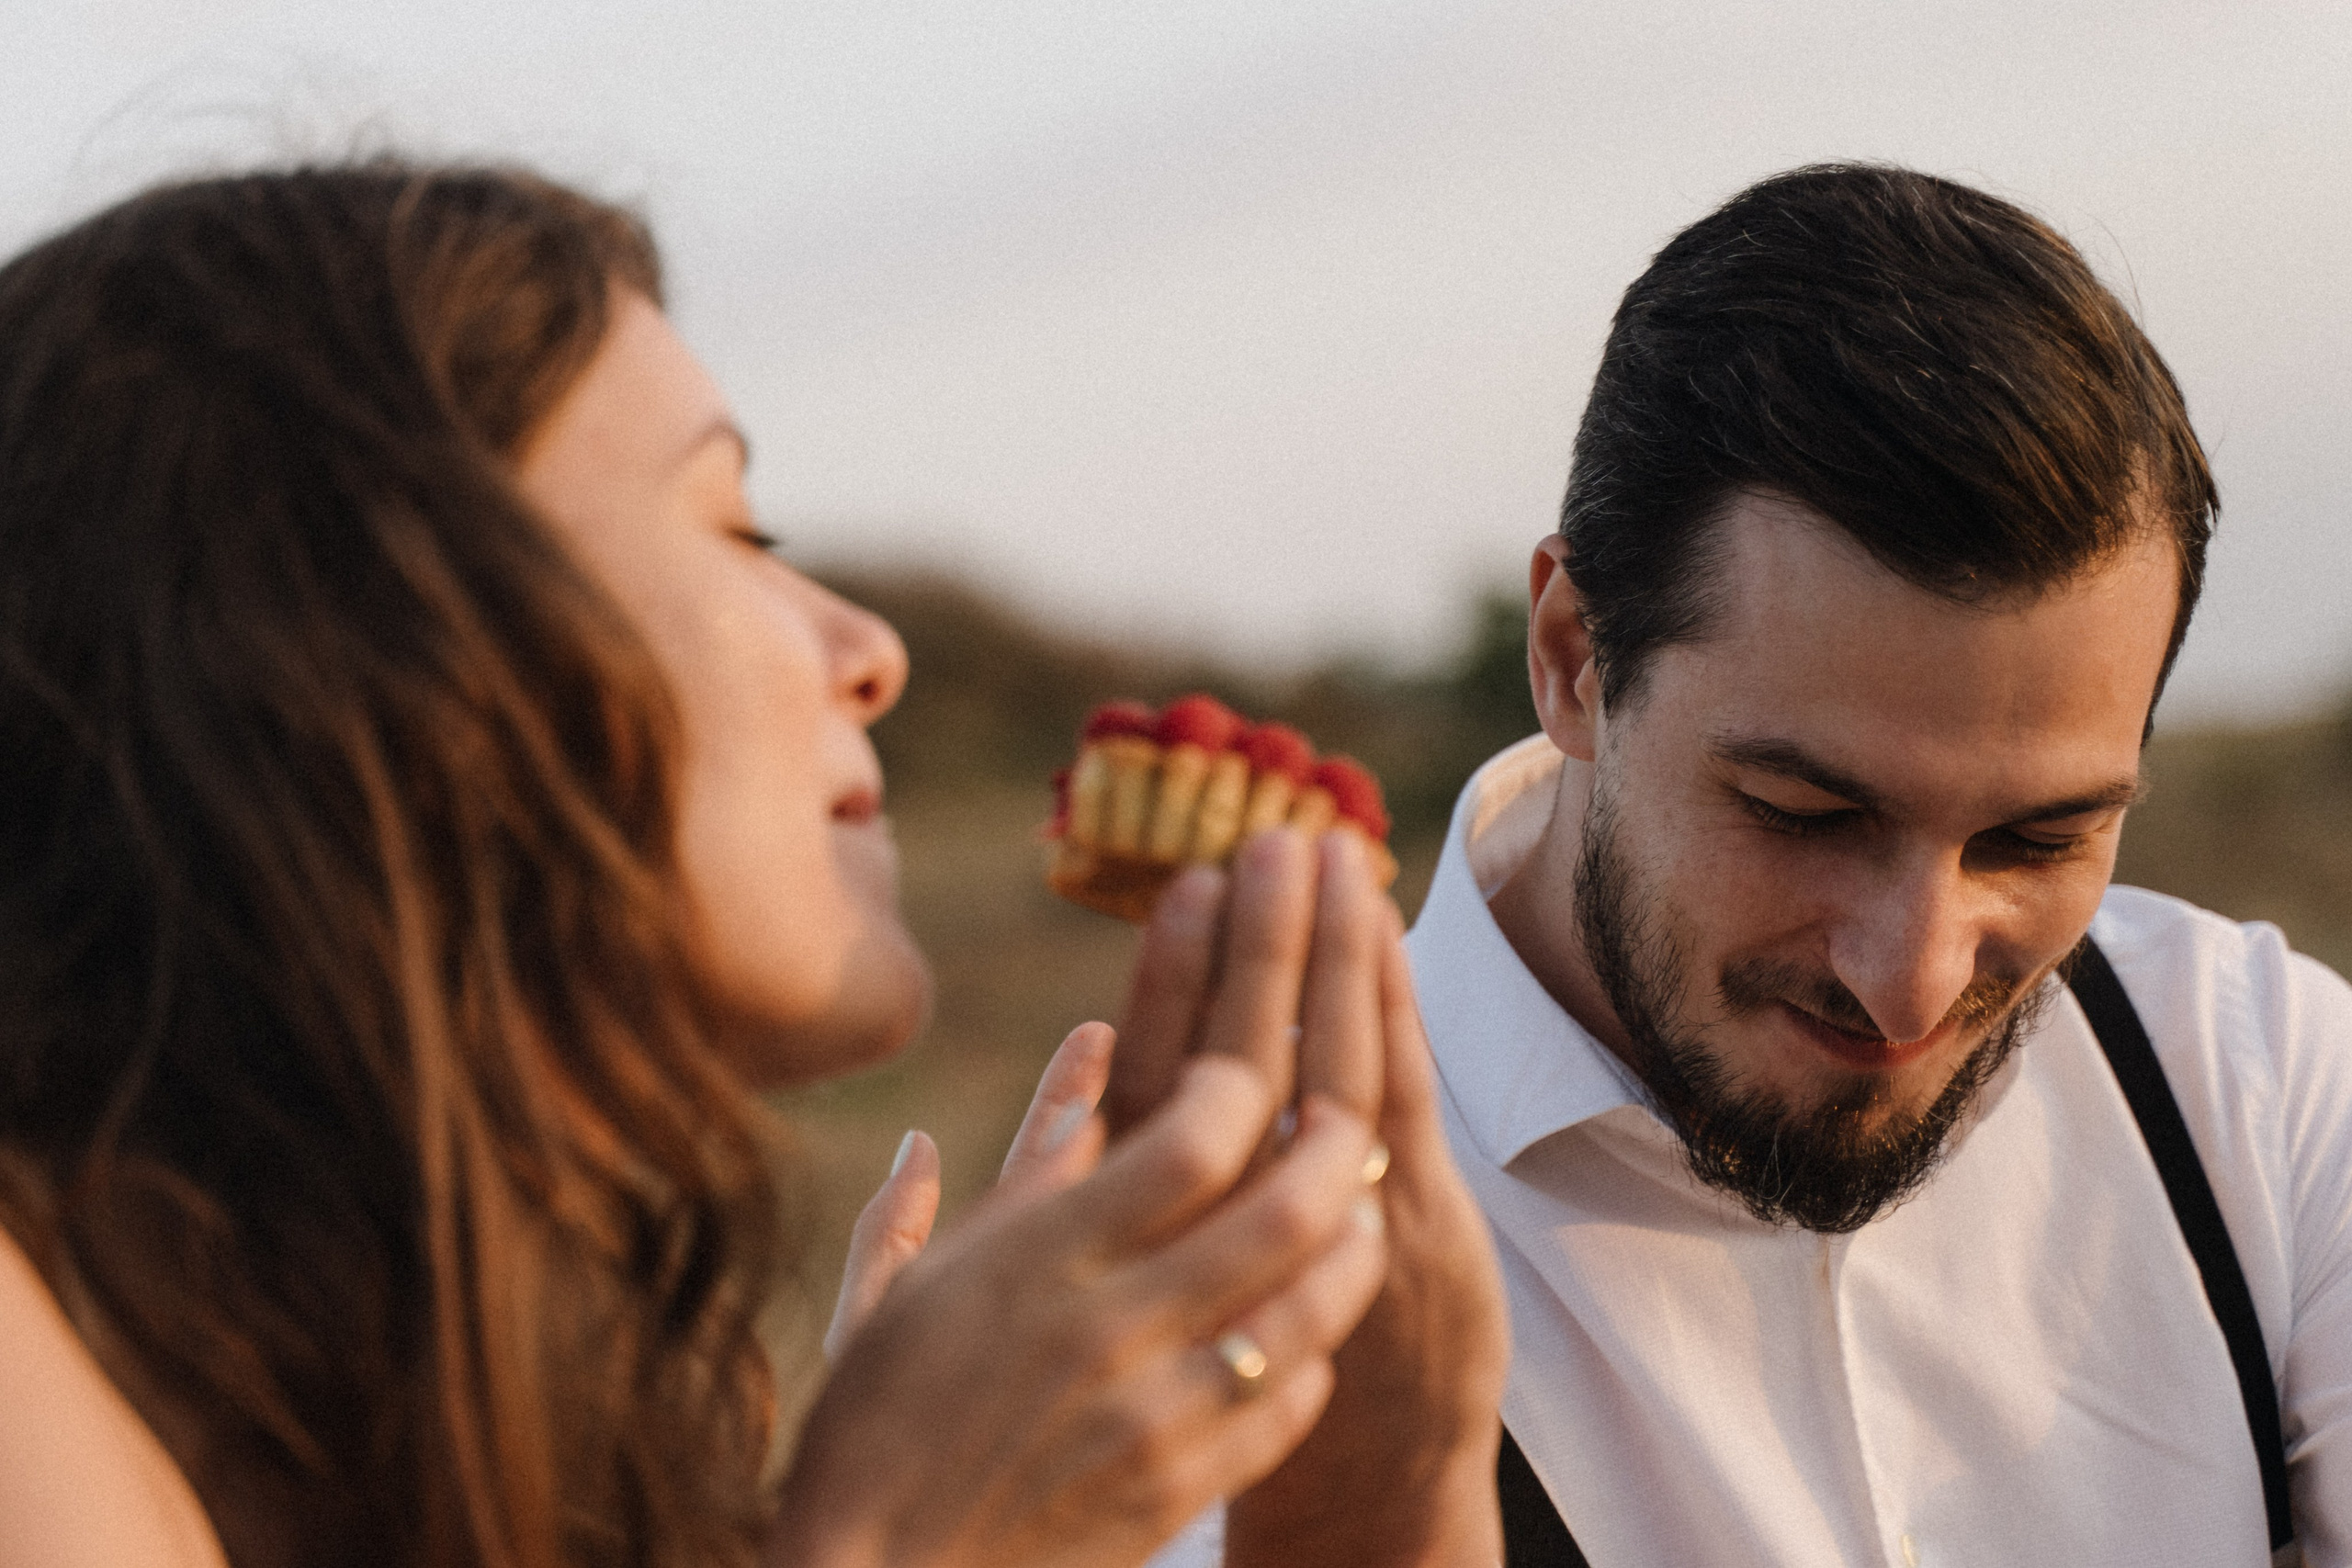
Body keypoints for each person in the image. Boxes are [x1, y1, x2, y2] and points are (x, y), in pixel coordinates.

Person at [0, 163, 1506, 1568]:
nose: (871, 651)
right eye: (734, 525)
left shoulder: (541, 1411)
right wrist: (905, 1526)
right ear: (359, 659)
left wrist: (1384, 1493)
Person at [1397, 164, 2352, 1567]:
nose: (1911, 980)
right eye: (1802, 811)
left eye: (2040, 838)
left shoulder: (2255, 1083)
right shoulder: (1229, 1258)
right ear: (1574, 659)